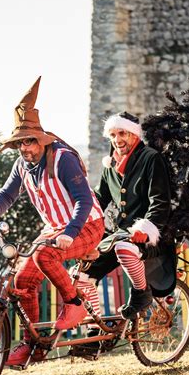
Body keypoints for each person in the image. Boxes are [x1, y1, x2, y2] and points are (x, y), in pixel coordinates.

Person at [0, 76, 105, 366]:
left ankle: (74, 305)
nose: (25, 147)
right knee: (22, 282)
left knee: (45, 255)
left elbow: (84, 201)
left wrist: (70, 233)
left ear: (41, 139)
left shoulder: (63, 159)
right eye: (20, 142)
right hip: (55, 228)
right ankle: (33, 346)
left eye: (30, 141)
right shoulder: (21, 165)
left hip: (86, 225)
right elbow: (7, 193)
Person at [75, 111, 175, 338]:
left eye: (122, 133)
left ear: (134, 134)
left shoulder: (151, 158)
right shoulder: (109, 165)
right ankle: (94, 334)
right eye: (112, 134)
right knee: (80, 274)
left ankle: (141, 294)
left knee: (124, 248)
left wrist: (146, 228)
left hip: (149, 235)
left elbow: (160, 202)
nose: (117, 139)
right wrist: (76, 221)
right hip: (119, 234)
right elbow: (100, 199)